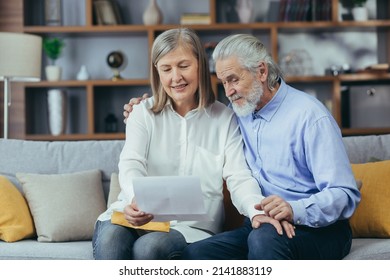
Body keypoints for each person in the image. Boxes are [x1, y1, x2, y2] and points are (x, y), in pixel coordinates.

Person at [124, 33, 361, 260]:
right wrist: (140, 108)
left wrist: (295, 209)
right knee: (195, 255)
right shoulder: (240, 111)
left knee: (264, 240)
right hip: (261, 222)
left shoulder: (310, 117)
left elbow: (345, 194)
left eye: (234, 80)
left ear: (261, 71)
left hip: (318, 229)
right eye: (223, 82)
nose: (228, 91)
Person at [93, 28, 294, 260]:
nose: (175, 77)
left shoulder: (225, 118)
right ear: (157, 72)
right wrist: (135, 198)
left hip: (191, 227)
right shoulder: (142, 113)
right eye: (166, 69)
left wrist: (255, 210)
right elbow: (131, 163)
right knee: (111, 240)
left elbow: (239, 177)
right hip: (132, 212)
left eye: (184, 66)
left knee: (149, 248)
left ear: (200, 65)